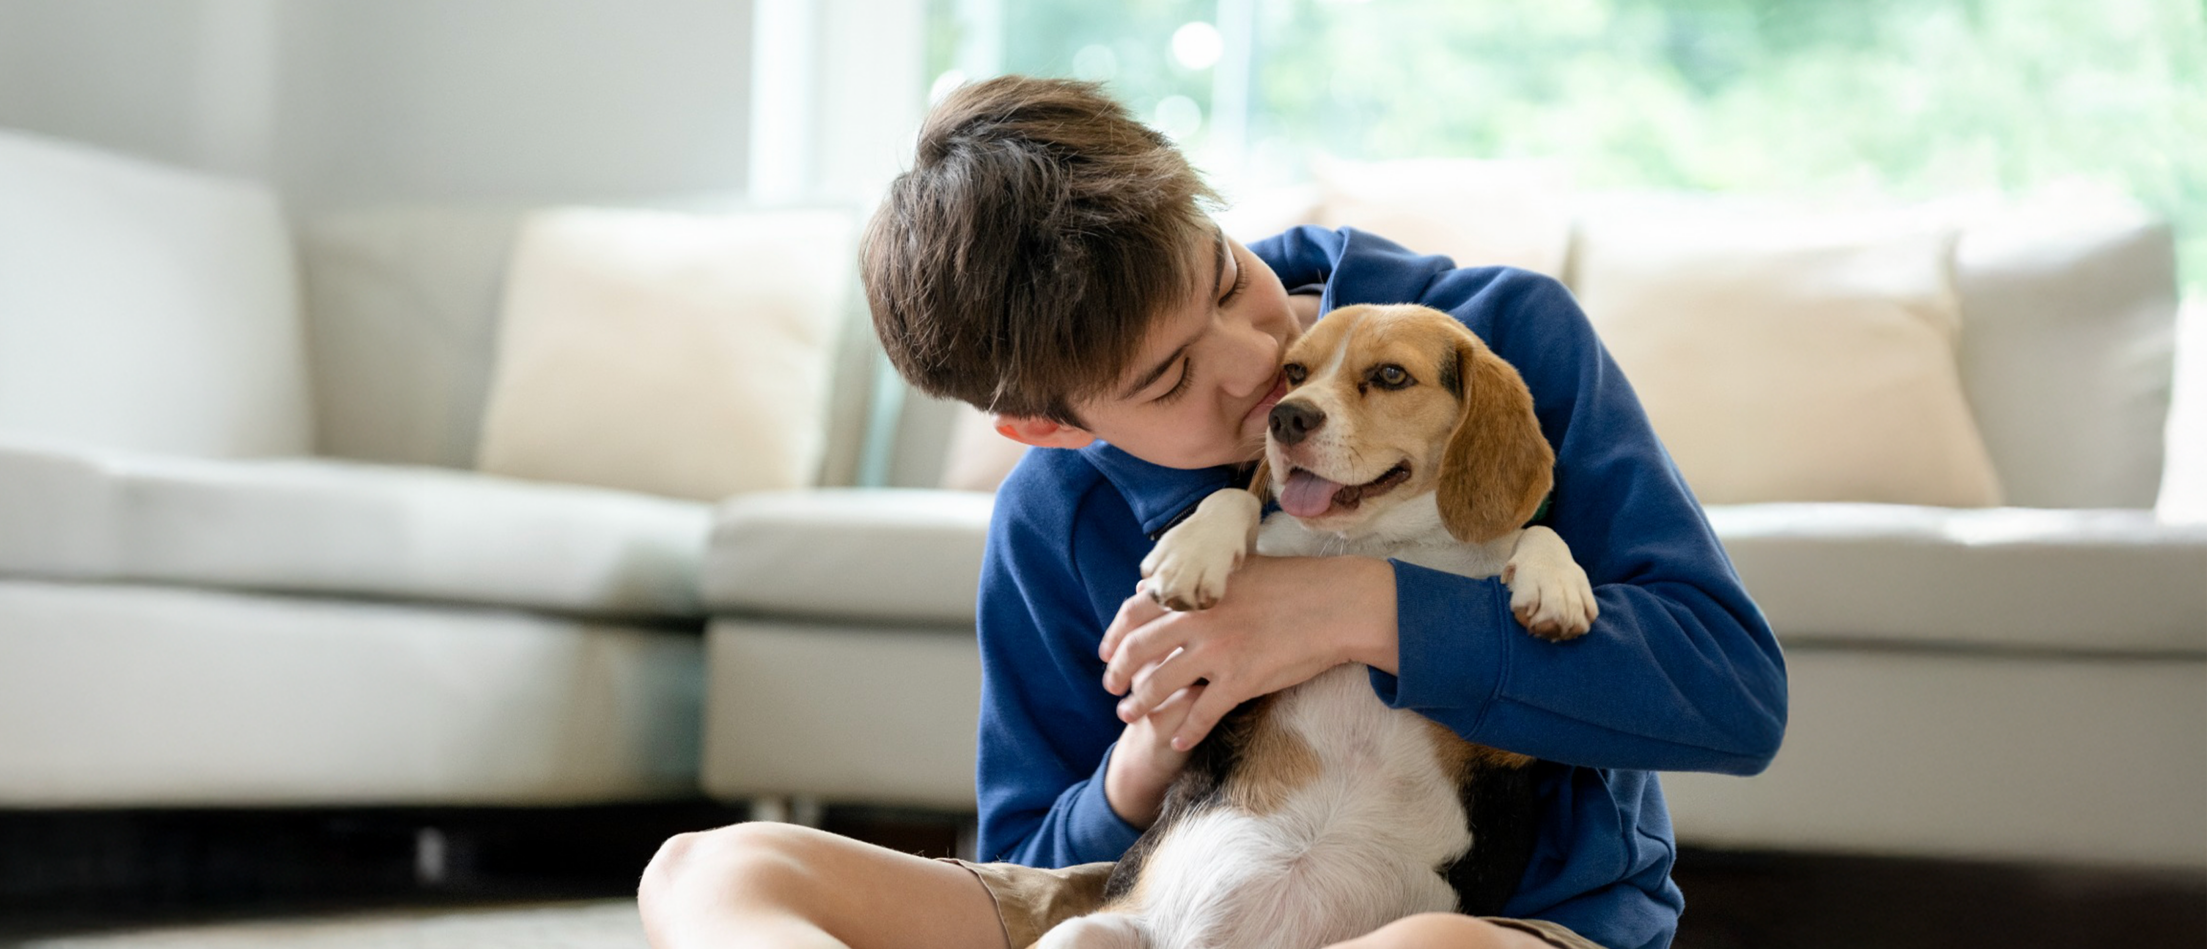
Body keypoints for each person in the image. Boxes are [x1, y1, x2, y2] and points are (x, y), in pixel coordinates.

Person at [637, 76, 1787, 949]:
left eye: (1227, 279)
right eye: (1167, 382)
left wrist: (1356, 609)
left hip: (1488, 919)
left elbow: (1733, 698)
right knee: (705, 868)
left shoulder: (1495, 335)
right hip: (1151, 904)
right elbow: (1036, 861)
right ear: (1050, 426)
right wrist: (1143, 754)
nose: (1257, 366)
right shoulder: (1053, 512)